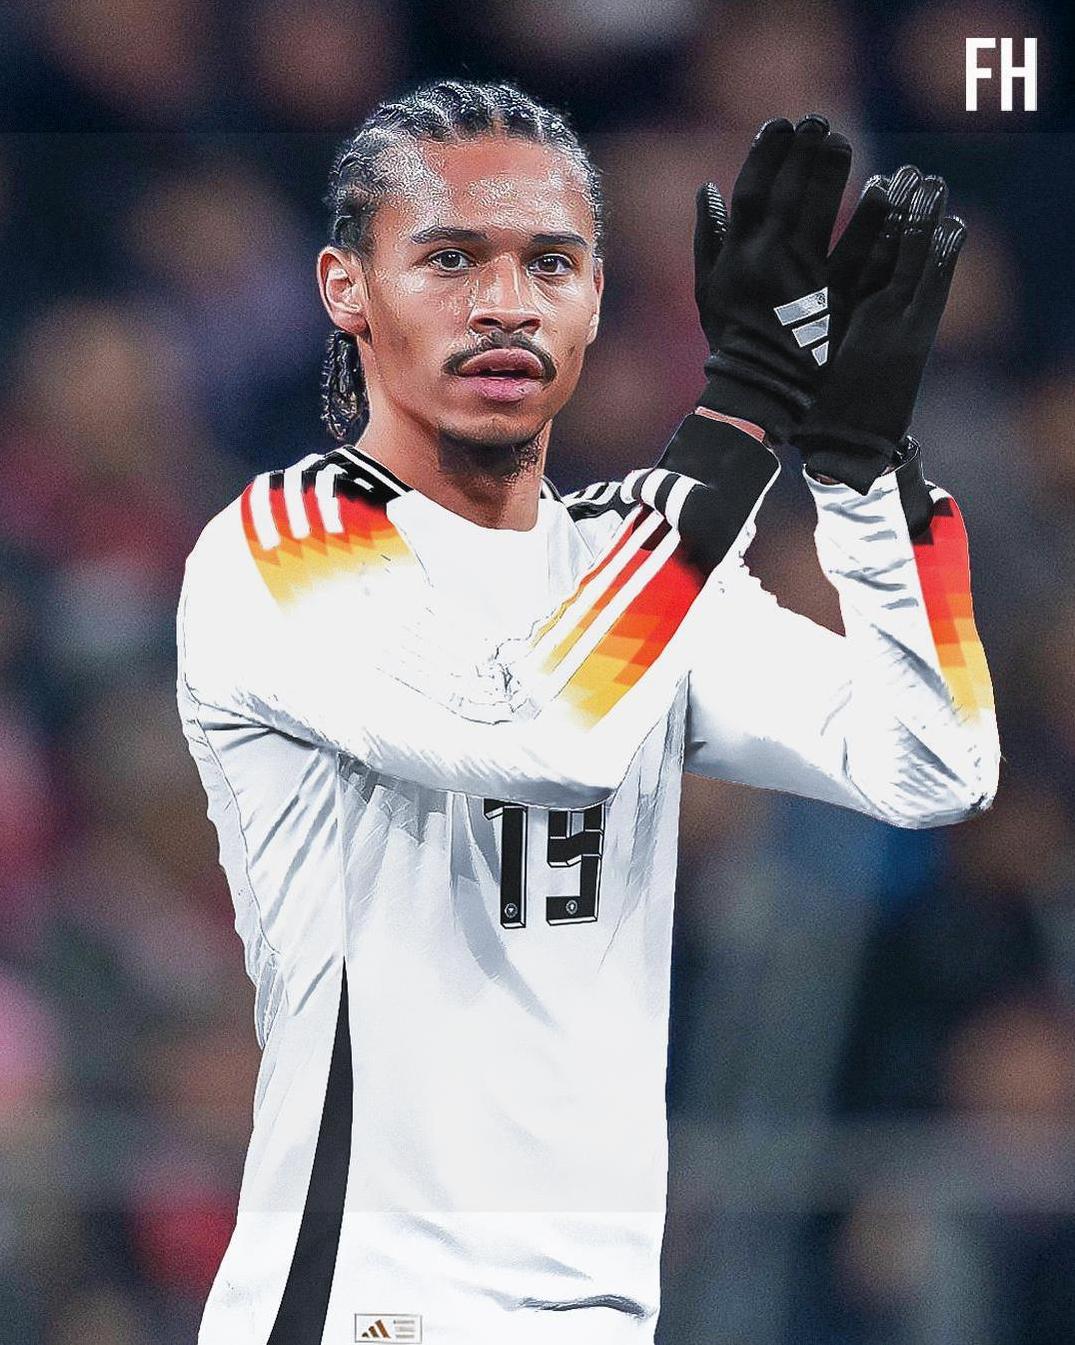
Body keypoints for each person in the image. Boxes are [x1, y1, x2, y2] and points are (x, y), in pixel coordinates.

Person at [176, 80, 999, 1344]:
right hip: (366, 1306)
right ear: (347, 288)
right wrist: (730, 427)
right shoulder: (283, 548)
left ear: (597, 299)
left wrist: (863, 478)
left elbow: (931, 763)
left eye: (548, 261)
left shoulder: (640, 562)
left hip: (602, 1311)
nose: (505, 301)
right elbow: (544, 735)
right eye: (450, 257)